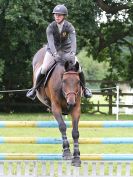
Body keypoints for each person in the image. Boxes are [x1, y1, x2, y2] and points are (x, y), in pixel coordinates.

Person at [26, 4, 92, 100]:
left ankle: (85, 90)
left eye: (59, 15)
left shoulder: (69, 26)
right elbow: (51, 42)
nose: (57, 16)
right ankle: (34, 89)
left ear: (64, 16)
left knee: (79, 68)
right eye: (55, 15)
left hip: (67, 50)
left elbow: (73, 41)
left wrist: (73, 53)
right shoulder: (50, 27)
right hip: (52, 50)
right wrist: (55, 54)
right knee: (44, 68)